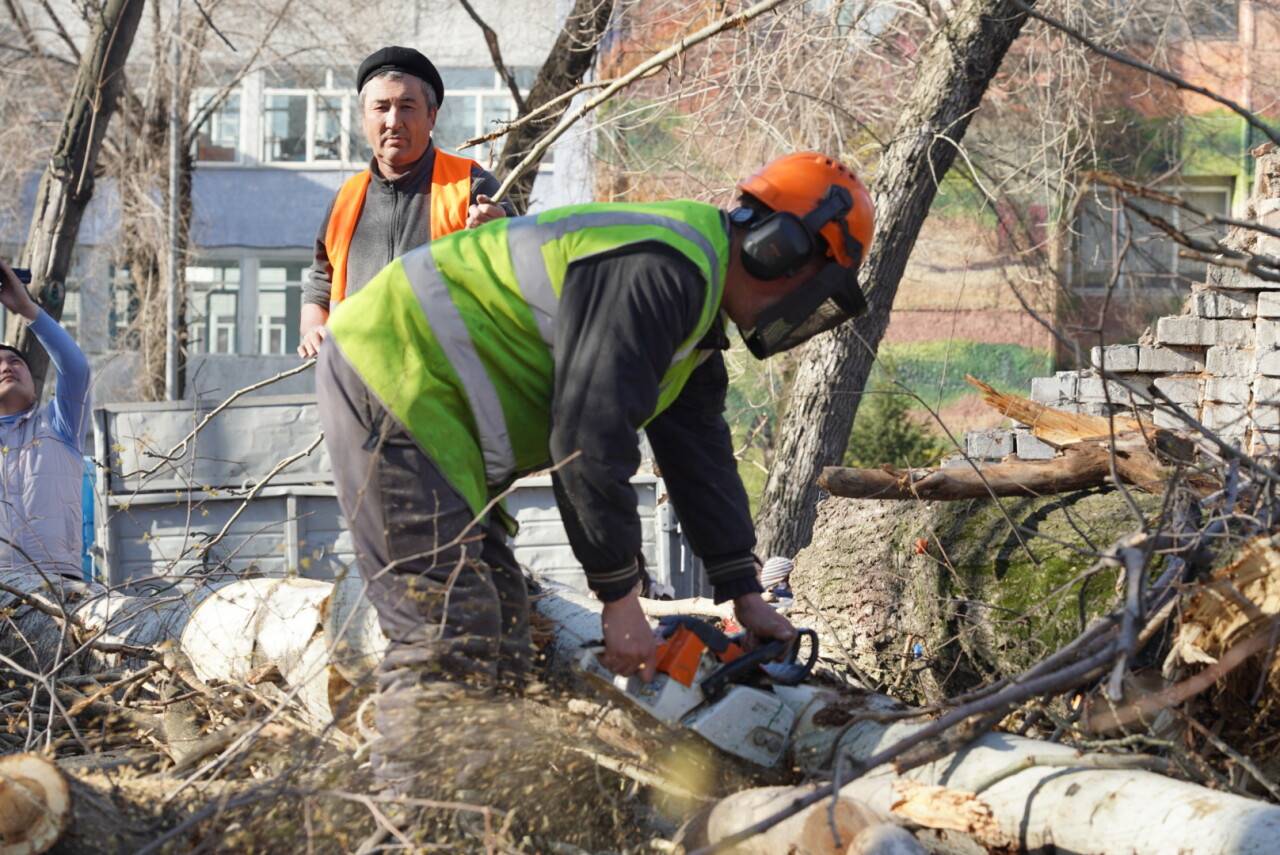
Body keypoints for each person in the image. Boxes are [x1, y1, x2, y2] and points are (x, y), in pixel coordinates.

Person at [315, 152, 875, 788]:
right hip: (393, 372)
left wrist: (743, 592)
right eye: (812, 284)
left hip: (434, 410)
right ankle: (408, 825)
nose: (804, 306)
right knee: (449, 634)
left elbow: (700, 454)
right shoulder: (660, 272)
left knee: (501, 625)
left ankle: (475, 805)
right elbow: (587, 437)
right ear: (779, 249)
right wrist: (619, 599)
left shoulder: (693, 309)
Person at [297, 45, 513, 358]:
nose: (393, 120)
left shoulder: (472, 185)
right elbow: (320, 283)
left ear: (432, 115)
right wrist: (313, 329)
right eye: (381, 107)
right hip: (359, 381)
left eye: (407, 106)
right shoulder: (345, 201)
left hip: (448, 385)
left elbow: (520, 274)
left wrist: (501, 235)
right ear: (364, 118)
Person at [0, 260, 91, 578]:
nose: (7, 366)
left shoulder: (59, 424)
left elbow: (76, 367)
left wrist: (27, 308)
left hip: (58, 584)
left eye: (16, 361)